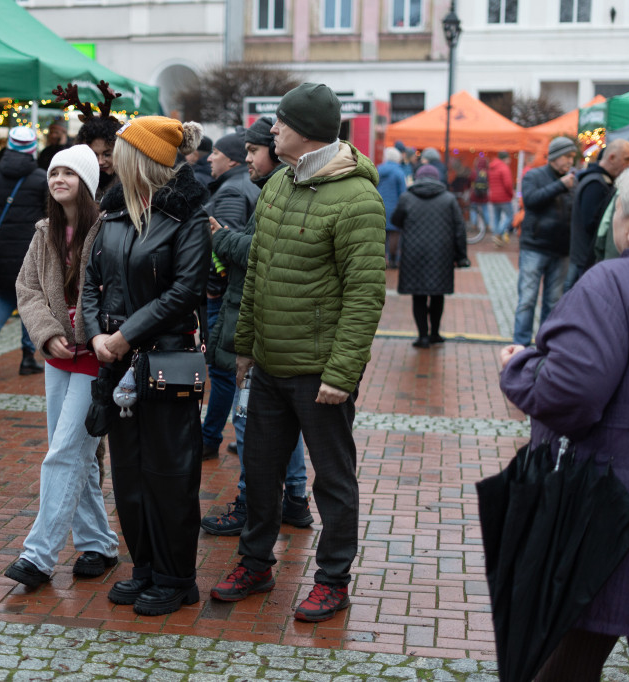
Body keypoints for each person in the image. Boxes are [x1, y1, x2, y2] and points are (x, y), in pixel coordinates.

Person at [210, 83, 386, 623]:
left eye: (280, 123)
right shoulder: (280, 184)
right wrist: (245, 349)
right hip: (269, 365)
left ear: (304, 130)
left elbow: (365, 294)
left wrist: (341, 373)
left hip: (320, 376)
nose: (271, 131)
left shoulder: (358, 199)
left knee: (333, 480)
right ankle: (255, 563)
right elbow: (259, 270)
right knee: (258, 473)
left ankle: (333, 579)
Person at [499, 158, 629, 681]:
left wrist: (520, 365)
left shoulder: (613, 283)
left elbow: (568, 394)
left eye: (618, 209)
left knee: (561, 660)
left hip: (608, 514)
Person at [82, 116, 210, 616]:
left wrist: (123, 334)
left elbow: (186, 291)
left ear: (145, 160)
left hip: (164, 359)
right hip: (115, 361)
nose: (110, 159)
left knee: (170, 473)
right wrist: (96, 335)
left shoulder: (189, 218)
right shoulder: (111, 216)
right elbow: (90, 282)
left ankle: (177, 578)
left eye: (120, 152)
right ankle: (145, 568)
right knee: (130, 473)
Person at [4, 145, 119, 588]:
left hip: (96, 355)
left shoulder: (107, 230)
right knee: (76, 454)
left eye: (70, 172)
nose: (59, 179)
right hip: (58, 355)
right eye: (54, 172)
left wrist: (88, 334)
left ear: (87, 182)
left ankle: (38, 555)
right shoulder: (44, 232)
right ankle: (98, 543)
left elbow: (115, 292)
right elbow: (27, 288)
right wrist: (47, 333)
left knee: (64, 451)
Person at [200, 116, 312, 536]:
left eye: (252, 151)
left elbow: (262, 252)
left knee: (249, 421)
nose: (246, 159)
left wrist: (219, 238)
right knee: (277, 423)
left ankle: (250, 503)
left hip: (261, 326)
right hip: (262, 324)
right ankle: (296, 498)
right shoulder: (273, 187)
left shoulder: (282, 189)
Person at [201, 131, 260, 461]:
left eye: (217, 153)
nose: (210, 157)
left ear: (232, 159)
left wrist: (214, 284)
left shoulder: (231, 191)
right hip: (228, 295)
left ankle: (210, 438)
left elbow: (225, 246)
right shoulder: (243, 185)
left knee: (223, 373)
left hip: (223, 297)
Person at [0, 126, 47, 376]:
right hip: (32, 249)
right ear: (31, 149)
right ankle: (28, 355)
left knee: (7, 296)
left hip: (2, 248)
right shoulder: (42, 178)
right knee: (32, 298)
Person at [392, 164, 469, 349]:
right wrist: (461, 256)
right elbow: (460, 229)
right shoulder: (449, 199)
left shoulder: (407, 197)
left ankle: (423, 336)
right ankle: (435, 333)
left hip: (413, 253)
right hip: (441, 254)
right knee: (437, 294)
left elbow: (396, 220)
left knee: (418, 295)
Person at [511, 136, 576, 346]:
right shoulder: (535, 176)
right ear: (555, 157)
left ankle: (545, 345)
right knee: (527, 299)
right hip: (535, 247)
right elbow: (530, 201)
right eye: (567, 156)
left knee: (553, 301)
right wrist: (559, 186)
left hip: (561, 250)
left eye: (572, 157)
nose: (570, 162)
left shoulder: (572, 180)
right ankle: (520, 344)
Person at [563, 139, 629, 292]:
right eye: (627, 159)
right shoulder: (596, 184)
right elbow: (593, 225)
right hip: (586, 257)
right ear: (612, 158)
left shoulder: (597, 180)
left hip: (584, 256)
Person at [74, 110, 122, 200]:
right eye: (93, 155)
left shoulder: (132, 186)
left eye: (107, 154)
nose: (100, 162)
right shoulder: (75, 185)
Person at [376, 146, 407, 268]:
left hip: (379, 206)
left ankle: (381, 260)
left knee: (381, 236)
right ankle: (393, 260)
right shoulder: (399, 172)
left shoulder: (378, 170)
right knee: (394, 234)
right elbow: (403, 193)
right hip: (394, 208)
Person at [487, 151, 515, 245]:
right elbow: (508, 184)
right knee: (510, 216)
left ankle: (496, 236)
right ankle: (498, 233)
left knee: (496, 218)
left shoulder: (492, 167)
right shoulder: (504, 168)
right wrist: (511, 194)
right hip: (504, 197)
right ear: (505, 158)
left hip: (493, 196)